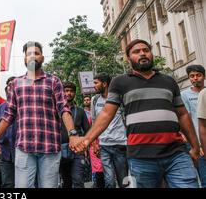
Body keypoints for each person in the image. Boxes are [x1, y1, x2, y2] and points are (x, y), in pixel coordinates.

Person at [73, 39, 201, 188]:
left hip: (176, 154)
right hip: (141, 157)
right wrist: (87, 140)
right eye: (136, 51)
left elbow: (182, 114)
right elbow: (107, 113)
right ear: (128, 58)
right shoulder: (120, 82)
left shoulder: (168, 81)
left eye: (146, 50)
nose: (142, 53)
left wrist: (195, 146)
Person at [0, 41, 78, 188]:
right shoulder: (15, 84)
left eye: (36, 53)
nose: (32, 56)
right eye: (29, 54)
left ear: (42, 58)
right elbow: (8, 115)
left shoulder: (53, 81)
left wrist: (73, 134)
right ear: (24, 59)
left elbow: (64, 109)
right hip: (24, 148)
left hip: (49, 148)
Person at [91, 73, 128, 188]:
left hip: (120, 144)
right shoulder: (95, 100)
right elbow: (94, 123)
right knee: (109, 181)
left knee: (123, 181)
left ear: (105, 84)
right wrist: (94, 143)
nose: (94, 86)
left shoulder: (119, 98)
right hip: (104, 146)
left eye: (96, 83)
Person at [59, 82, 90, 188]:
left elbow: (87, 131)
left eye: (71, 91)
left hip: (77, 150)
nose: (69, 93)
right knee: (66, 181)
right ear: (62, 93)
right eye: (66, 90)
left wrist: (86, 147)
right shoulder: (56, 111)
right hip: (61, 150)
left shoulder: (80, 111)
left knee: (78, 180)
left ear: (74, 93)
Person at [181, 65, 206, 187]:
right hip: (197, 141)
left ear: (204, 76)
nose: (195, 78)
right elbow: (186, 119)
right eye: (192, 76)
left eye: (198, 75)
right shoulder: (184, 95)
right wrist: (195, 144)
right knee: (203, 175)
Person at [0, 76, 17, 188]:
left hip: (22, 152)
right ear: (6, 89)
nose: (11, 87)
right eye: (9, 85)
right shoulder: (1, 108)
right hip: (4, 152)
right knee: (8, 184)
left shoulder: (25, 107)